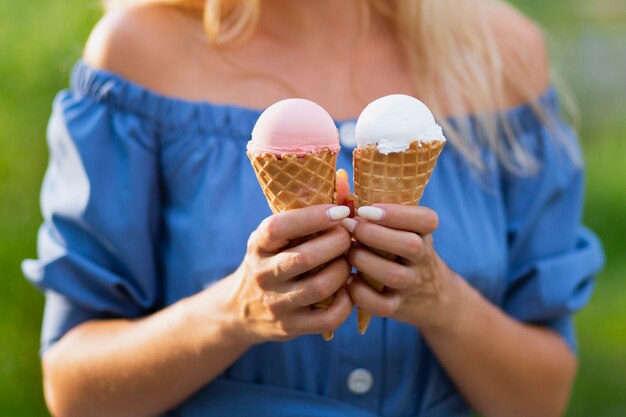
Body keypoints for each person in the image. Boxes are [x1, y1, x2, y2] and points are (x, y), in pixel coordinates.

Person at [23, 1, 605, 416]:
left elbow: (540, 397)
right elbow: (74, 390)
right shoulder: (138, 53)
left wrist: (442, 302)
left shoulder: (503, 57)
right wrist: (234, 312)